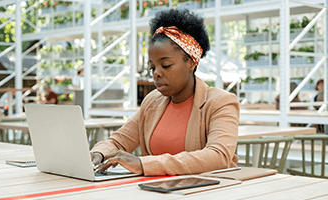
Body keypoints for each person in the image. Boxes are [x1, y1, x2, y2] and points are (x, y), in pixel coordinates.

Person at [90, 9, 240, 176]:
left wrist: (143, 164)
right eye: (152, 67)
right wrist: (98, 154)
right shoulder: (152, 102)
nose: (156, 73)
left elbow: (218, 156)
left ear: (191, 62)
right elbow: (120, 140)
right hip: (158, 189)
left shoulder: (221, 102)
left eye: (166, 65)